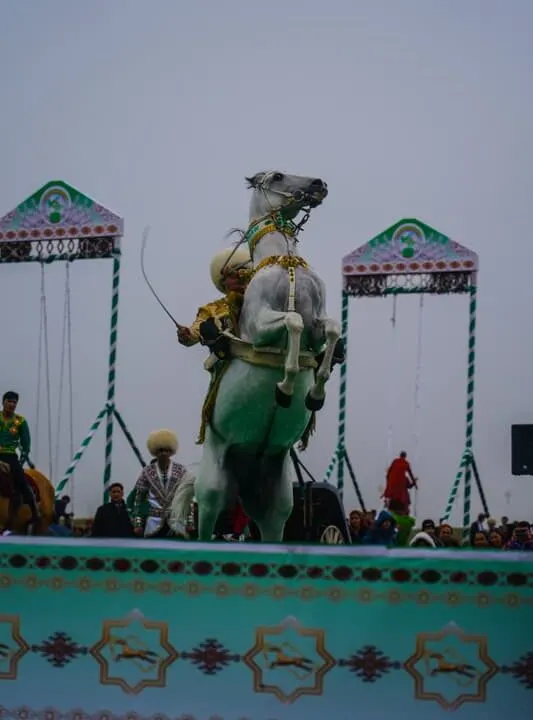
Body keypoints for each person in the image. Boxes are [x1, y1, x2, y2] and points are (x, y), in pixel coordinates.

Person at [133, 429, 194, 538]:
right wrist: (137, 523)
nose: (163, 453)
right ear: (155, 452)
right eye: (160, 450)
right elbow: (138, 499)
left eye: (167, 450)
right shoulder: (147, 471)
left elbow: (187, 497)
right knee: (153, 553)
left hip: (176, 520)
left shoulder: (181, 470)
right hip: (154, 521)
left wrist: (190, 522)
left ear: (171, 451)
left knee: (177, 552)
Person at [0, 391, 40, 522]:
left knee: (21, 481)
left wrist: (21, 461)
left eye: (14, 402)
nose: (12, 404)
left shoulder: (20, 421)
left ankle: (34, 510)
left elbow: (26, 444)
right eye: (9, 401)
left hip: (11, 456)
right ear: (3, 402)